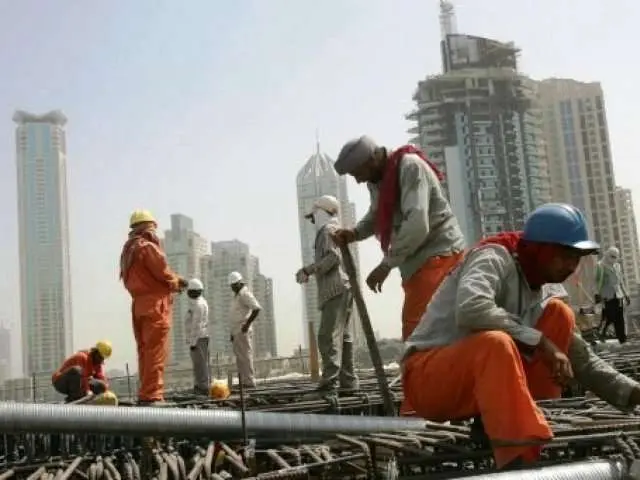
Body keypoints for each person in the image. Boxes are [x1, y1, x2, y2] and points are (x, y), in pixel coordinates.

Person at [402, 203, 640, 470]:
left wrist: (632, 392)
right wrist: (540, 341)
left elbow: (581, 360)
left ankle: (537, 431)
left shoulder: (541, 286)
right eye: (564, 256)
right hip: (429, 380)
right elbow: (471, 308)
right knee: (496, 344)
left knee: (559, 315)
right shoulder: (493, 257)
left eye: (577, 258)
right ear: (541, 250)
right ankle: (519, 458)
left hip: (480, 385)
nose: (571, 266)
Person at [332, 135, 465, 341]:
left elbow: (417, 224)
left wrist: (386, 265)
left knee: (419, 333)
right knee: (427, 332)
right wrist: (355, 233)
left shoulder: (410, 168)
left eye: (359, 173)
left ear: (373, 158)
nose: (358, 180)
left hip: (439, 257)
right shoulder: (378, 180)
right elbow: (377, 214)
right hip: (416, 263)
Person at [119, 209, 187, 405]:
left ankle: (145, 393)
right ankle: (152, 396)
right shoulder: (147, 247)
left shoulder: (128, 251)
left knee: (145, 352)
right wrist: (177, 282)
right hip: (155, 305)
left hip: (138, 306)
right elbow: (163, 272)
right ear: (148, 227)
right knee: (156, 352)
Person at [296, 194, 359, 393]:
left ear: (323, 212)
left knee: (326, 336)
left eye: (314, 215)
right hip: (341, 288)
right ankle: (348, 382)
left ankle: (330, 381)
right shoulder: (331, 229)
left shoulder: (327, 230)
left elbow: (333, 257)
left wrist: (309, 270)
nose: (313, 220)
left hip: (335, 289)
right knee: (344, 337)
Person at [228, 271, 261, 389]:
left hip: (242, 330)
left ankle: (249, 381)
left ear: (239, 283)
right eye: (231, 286)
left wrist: (247, 324)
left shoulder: (245, 294)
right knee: (240, 357)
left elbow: (257, 308)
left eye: (233, 285)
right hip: (237, 331)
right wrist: (232, 333)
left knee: (245, 356)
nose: (232, 288)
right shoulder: (237, 295)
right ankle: (244, 381)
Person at [595, 246, 630, 343]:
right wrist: (597, 294)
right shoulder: (600, 266)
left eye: (615, 257)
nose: (613, 259)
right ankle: (600, 334)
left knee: (619, 318)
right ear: (607, 255)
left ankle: (622, 339)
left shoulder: (617, 266)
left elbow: (621, 281)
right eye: (612, 256)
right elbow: (598, 282)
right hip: (607, 296)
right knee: (609, 316)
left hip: (618, 295)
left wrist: (626, 294)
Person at [185, 278, 210, 395]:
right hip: (197, 338)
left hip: (199, 338)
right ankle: (199, 385)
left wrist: (193, 342)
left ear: (195, 291)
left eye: (189, 291)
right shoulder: (196, 304)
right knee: (198, 364)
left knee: (201, 364)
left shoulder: (199, 305)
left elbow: (196, 325)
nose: (188, 293)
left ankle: (203, 387)